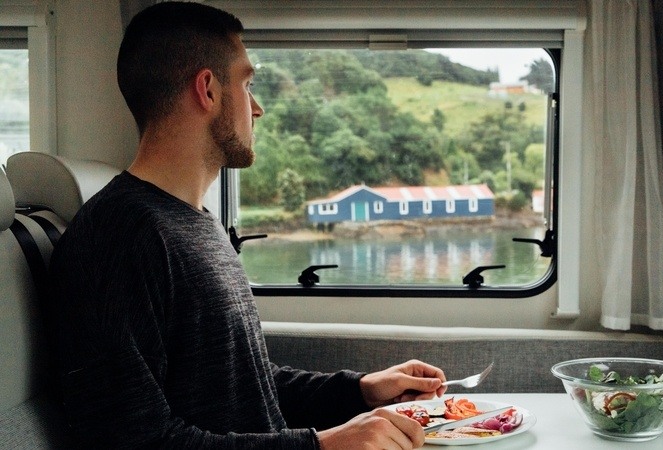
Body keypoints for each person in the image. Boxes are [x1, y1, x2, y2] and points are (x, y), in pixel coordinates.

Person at [47, 2, 447, 449]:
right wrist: (323, 445)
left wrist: (360, 391)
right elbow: (136, 442)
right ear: (208, 90)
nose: (257, 109)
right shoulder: (117, 240)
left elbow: (243, 388)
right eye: (247, 84)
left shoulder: (197, 224)